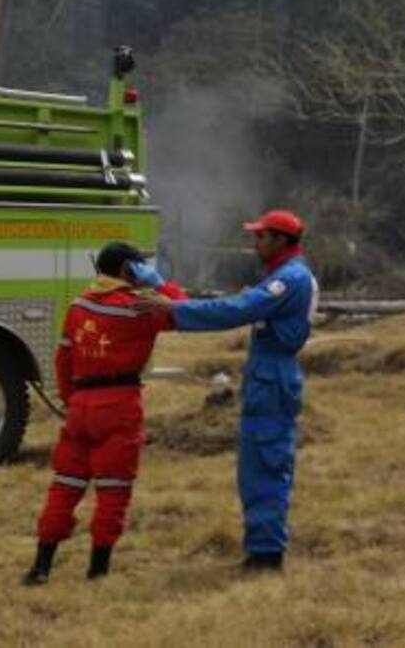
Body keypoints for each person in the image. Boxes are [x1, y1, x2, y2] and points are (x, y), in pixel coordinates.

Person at [24, 242, 186, 585]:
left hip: (80, 405)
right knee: (113, 491)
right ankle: (97, 571)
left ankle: (41, 567)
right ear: (129, 269)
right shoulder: (139, 307)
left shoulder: (78, 306)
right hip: (119, 405)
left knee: (65, 486)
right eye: (140, 265)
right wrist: (160, 285)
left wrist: (72, 402)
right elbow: (183, 311)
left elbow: (63, 360)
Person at [166, 208, 317, 574]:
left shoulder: (290, 279)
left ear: (281, 240)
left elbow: (238, 310)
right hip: (266, 376)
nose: (255, 243)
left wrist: (175, 313)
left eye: (261, 236)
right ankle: (260, 548)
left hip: (274, 378)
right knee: (254, 468)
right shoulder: (282, 276)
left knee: (266, 464)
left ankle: (267, 555)